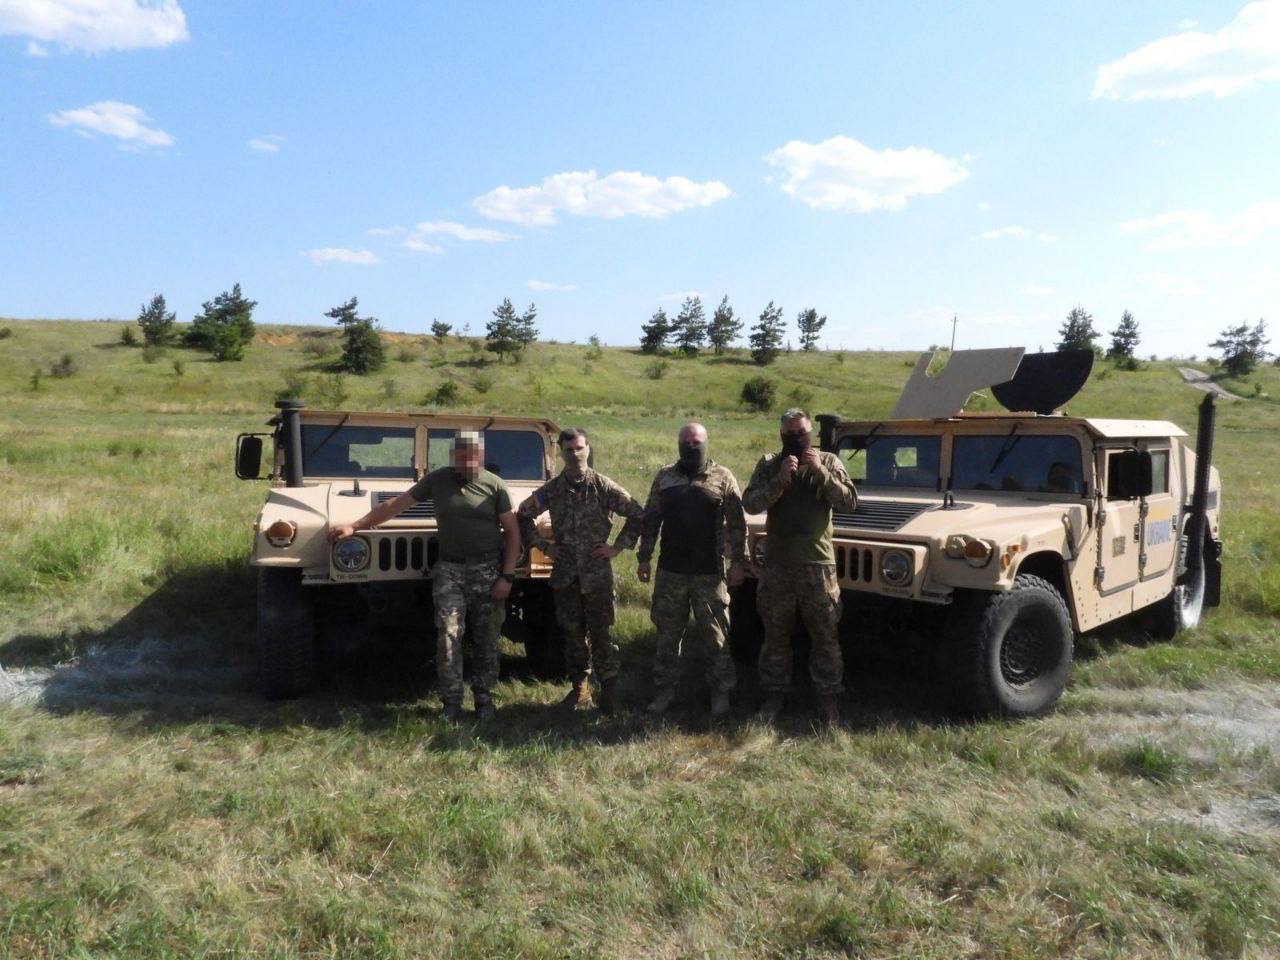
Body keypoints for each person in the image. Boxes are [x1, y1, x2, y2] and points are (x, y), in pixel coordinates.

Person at [328, 430, 521, 722]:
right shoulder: (438, 480)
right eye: (461, 456)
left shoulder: (495, 486)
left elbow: (513, 533)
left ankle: (484, 701)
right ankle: (451, 703)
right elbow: (394, 506)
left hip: (487, 570)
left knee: (486, 639)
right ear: (454, 456)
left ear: (480, 456)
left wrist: (507, 576)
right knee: (448, 636)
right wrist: (355, 527)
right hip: (450, 570)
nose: (467, 463)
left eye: (473, 457)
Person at [742, 409, 858, 725]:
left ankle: (829, 699)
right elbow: (750, 503)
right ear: (781, 435)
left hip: (818, 566)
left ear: (810, 432)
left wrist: (819, 471)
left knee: (825, 635)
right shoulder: (769, 464)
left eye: (802, 433)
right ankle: (773, 696)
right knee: (775, 635)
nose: (796, 439)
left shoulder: (830, 462)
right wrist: (780, 480)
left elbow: (848, 500)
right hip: (778, 566)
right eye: (790, 434)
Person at [517, 427, 644, 715]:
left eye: (579, 448)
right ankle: (580, 689)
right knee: (573, 634)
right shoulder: (552, 490)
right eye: (568, 450)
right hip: (566, 575)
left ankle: (610, 692)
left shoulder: (603, 486)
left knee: (602, 634)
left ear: (588, 449)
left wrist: (618, 547)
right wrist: (543, 547)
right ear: (560, 453)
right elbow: (523, 515)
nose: (574, 455)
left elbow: (637, 513)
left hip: (597, 574)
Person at [637, 422, 746, 718]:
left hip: (709, 574)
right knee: (667, 637)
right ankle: (664, 693)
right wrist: (644, 558)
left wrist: (738, 562)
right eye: (685, 442)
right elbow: (651, 520)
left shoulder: (723, 477)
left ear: (706, 443)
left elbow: (738, 524)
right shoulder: (665, 477)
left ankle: (720, 694)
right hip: (671, 572)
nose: (690, 446)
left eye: (696, 441)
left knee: (716, 638)